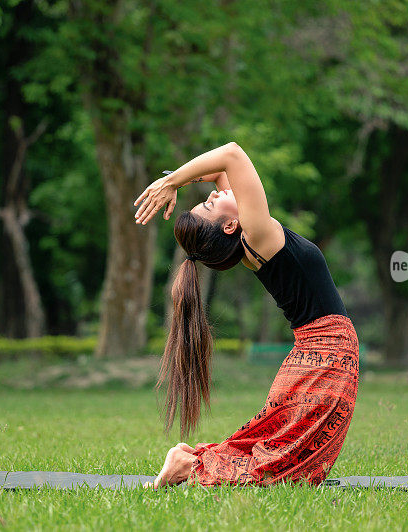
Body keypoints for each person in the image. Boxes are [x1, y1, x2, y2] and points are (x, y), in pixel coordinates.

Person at [133, 142, 359, 489]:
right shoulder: (259, 234)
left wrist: (177, 182)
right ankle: (188, 466)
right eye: (211, 202)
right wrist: (173, 181)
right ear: (230, 226)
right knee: (291, 468)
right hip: (328, 355)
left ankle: (191, 462)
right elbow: (233, 155)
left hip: (317, 355)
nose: (216, 192)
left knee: (285, 455)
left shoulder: (250, 238)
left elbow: (221, 171)